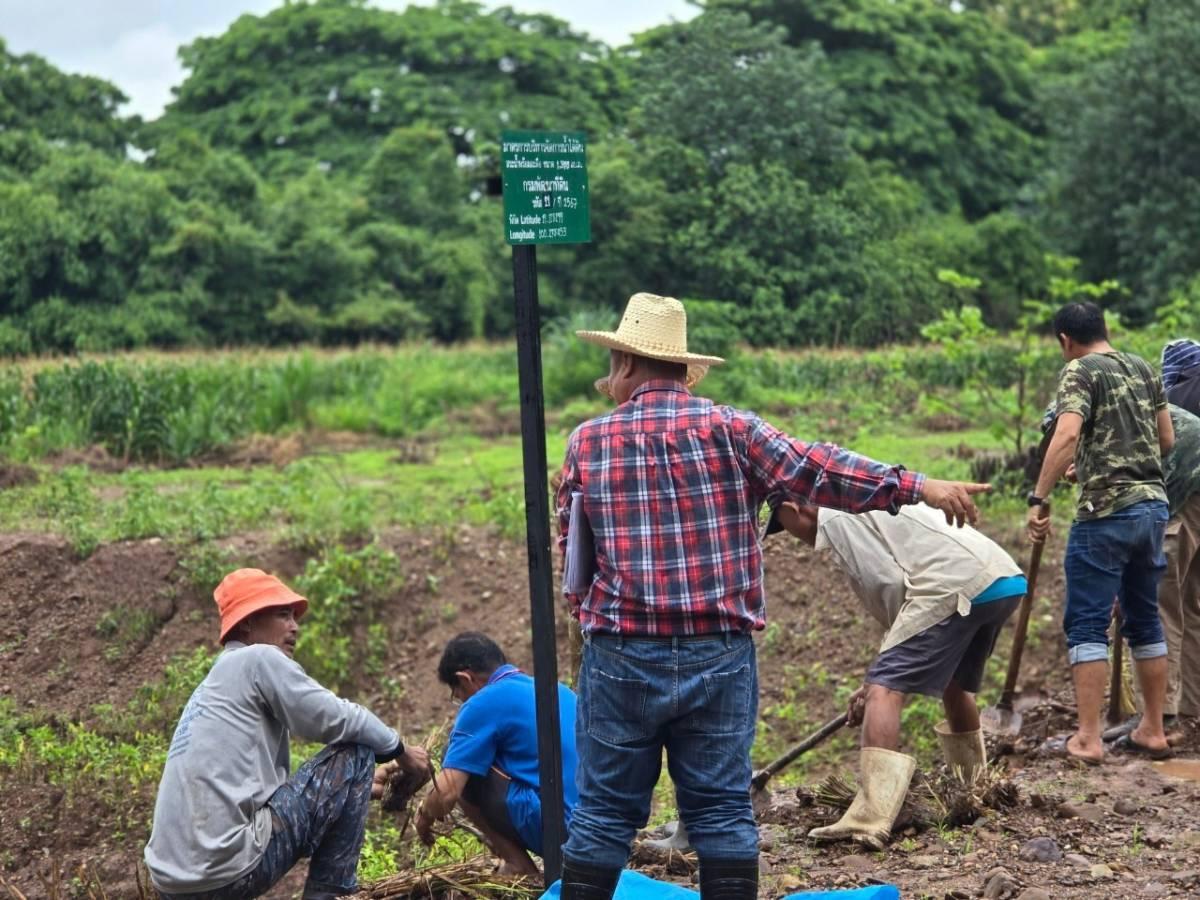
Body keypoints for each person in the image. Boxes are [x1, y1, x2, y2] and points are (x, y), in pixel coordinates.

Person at [554, 292, 991, 900]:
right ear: (683, 369)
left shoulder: (588, 443)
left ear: (626, 363)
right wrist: (917, 485)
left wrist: (595, 625)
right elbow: (821, 470)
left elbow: (573, 562)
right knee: (721, 814)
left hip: (622, 655)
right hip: (718, 655)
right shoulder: (734, 429)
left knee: (603, 816)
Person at [144, 568, 429, 900]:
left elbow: (261, 793)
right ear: (247, 623)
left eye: (294, 617)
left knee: (355, 766)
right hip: (226, 870)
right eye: (282, 615)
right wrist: (400, 749)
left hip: (172, 884)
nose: (295, 626)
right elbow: (336, 717)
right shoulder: (256, 659)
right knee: (357, 752)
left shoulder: (216, 684)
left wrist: (357, 785)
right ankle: (333, 894)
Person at [766, 501, 1025, 848]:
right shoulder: (861, 498)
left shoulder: (841, 519)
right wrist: (880, 671)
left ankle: (870, 818)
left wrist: (877, 680)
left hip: (956, 584)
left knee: (885, 690)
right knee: (956, 685)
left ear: (792, 507)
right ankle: (974, 789)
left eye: (782, 525)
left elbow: (889, 583)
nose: (790, 535)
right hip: (999, 579)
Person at [1028, 302, 1174, 765]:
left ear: (1065, 341)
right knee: (1145, 618)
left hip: (1106, 514)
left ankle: (1088, 738)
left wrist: (1039, 496)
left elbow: (1067, 433)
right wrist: (1094, 466)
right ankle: (1153, 729)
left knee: (1088, 622)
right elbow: (1164, 439)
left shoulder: (1080, 371)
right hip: (1152, 508)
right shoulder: (1143, 367)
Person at [414, 633, 579, 877]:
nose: (460, 701)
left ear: (465, 678)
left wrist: (424, 815)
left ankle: (517, 865)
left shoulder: (482, 702)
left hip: (563, 833)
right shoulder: (557, 688)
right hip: (598, 832)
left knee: (460, 762)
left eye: (457, 694)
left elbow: (447, 793)